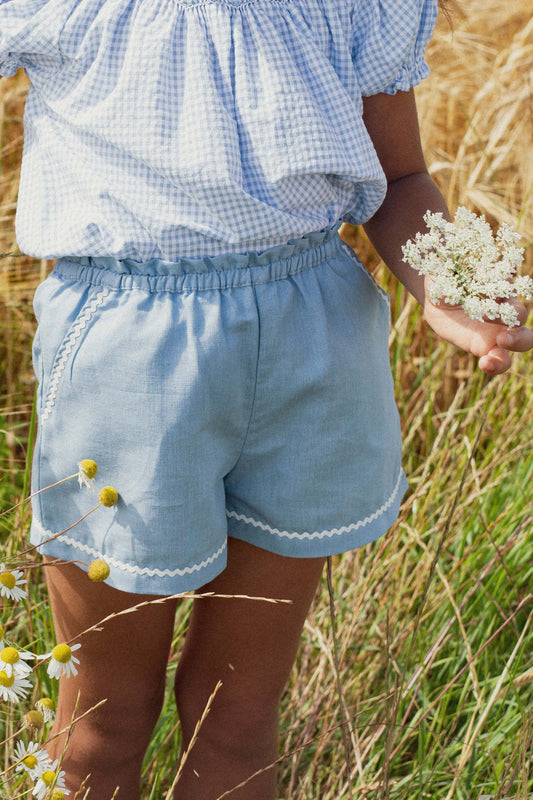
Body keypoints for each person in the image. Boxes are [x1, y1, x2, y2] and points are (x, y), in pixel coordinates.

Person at [1, 0, 532, 798]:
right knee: (99, 725)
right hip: (127, 355)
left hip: (311, 339)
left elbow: (399, 178)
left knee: (239, 715)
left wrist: (451, 282)